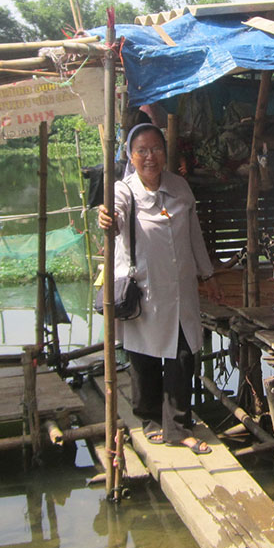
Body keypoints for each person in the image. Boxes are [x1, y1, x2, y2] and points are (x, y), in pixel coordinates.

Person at [98, 123, 222, 454]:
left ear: (165, 152)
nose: (150, 157)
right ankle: (151, 419)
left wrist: (208, 276)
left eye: (156, 149)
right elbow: (116, 216)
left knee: (184, 355)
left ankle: (178, 427)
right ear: (131, 155)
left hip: (180, 290)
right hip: (144, 290)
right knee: (143, 358)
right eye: (142, 151)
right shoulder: (123, 191)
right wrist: (107, 219)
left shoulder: (179, 187)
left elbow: (194, 234)